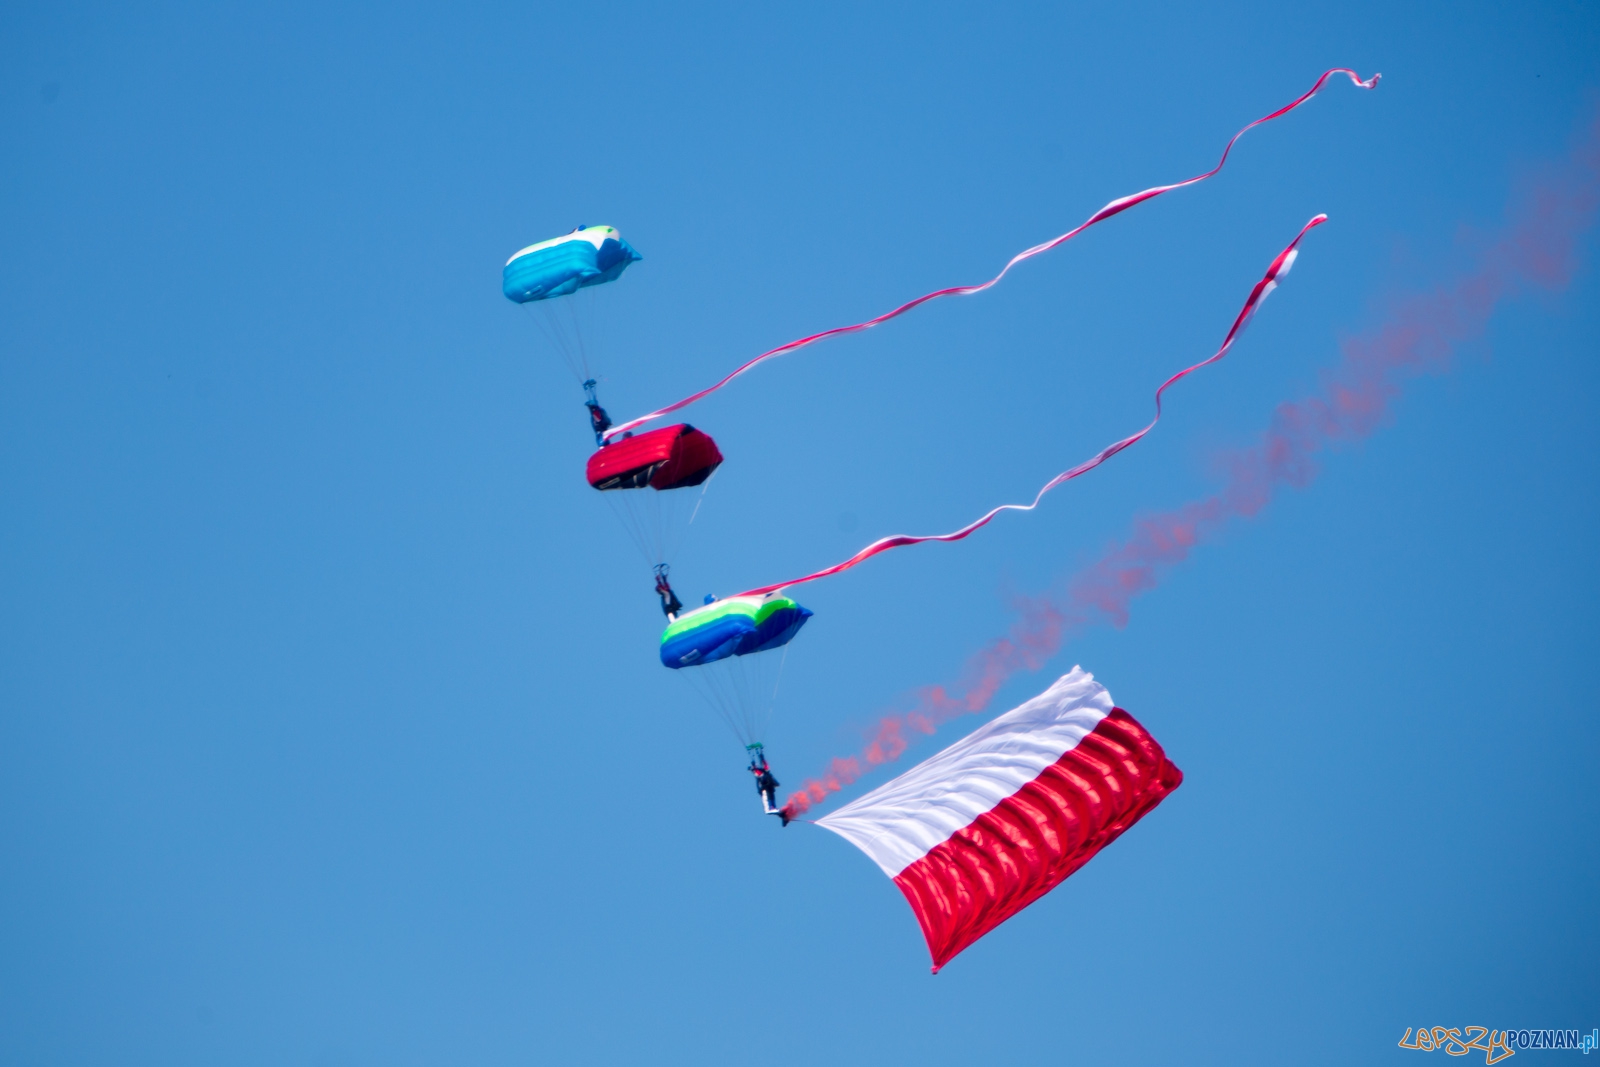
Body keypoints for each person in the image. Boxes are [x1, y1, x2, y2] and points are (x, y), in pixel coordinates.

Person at [749, 747, 788, 824]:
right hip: (771, 788)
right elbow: (765, 764)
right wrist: (761, 754)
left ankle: (780, 812)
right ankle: (782, 815)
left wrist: (753, 767)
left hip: (765, 789)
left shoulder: (759, 773)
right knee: (772, 804)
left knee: (768, 811)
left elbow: (756, 771)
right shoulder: (767, 771)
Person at [583, 378, 613, 446]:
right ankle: (591, 388)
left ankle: (591, 388)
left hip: (601, 429)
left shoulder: (597, 413)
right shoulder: (598, 413)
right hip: (601, 429)